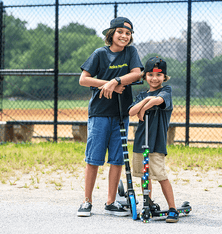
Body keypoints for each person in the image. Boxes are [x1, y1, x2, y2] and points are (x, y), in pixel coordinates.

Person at [77, 17, 144, 217]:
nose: (124, 36)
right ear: (111, 34)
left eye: (128, 33)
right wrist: (106, 84)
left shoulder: (131, 52)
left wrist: (115, 81)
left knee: (117, 159)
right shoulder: (100, 53)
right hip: (100, 113)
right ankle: (86, 201)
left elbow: (137, 74)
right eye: (120, 32)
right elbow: (83, 79)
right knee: (94, 158)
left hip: (122, 113)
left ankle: (110, 202)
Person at [128, 57, 179, 223]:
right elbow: (131, 111)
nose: (154, 78)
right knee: (145, 176)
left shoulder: (166, 91)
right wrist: (144, 102)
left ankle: (172, 208)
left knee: (160, 175)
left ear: (164, 76)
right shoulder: (142, 95)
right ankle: (147, 202)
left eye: (158, 75)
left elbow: (158, 100)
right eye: (150, 74)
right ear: (145, 77)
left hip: (156, 142)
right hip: (140, 142)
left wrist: (147, 105)